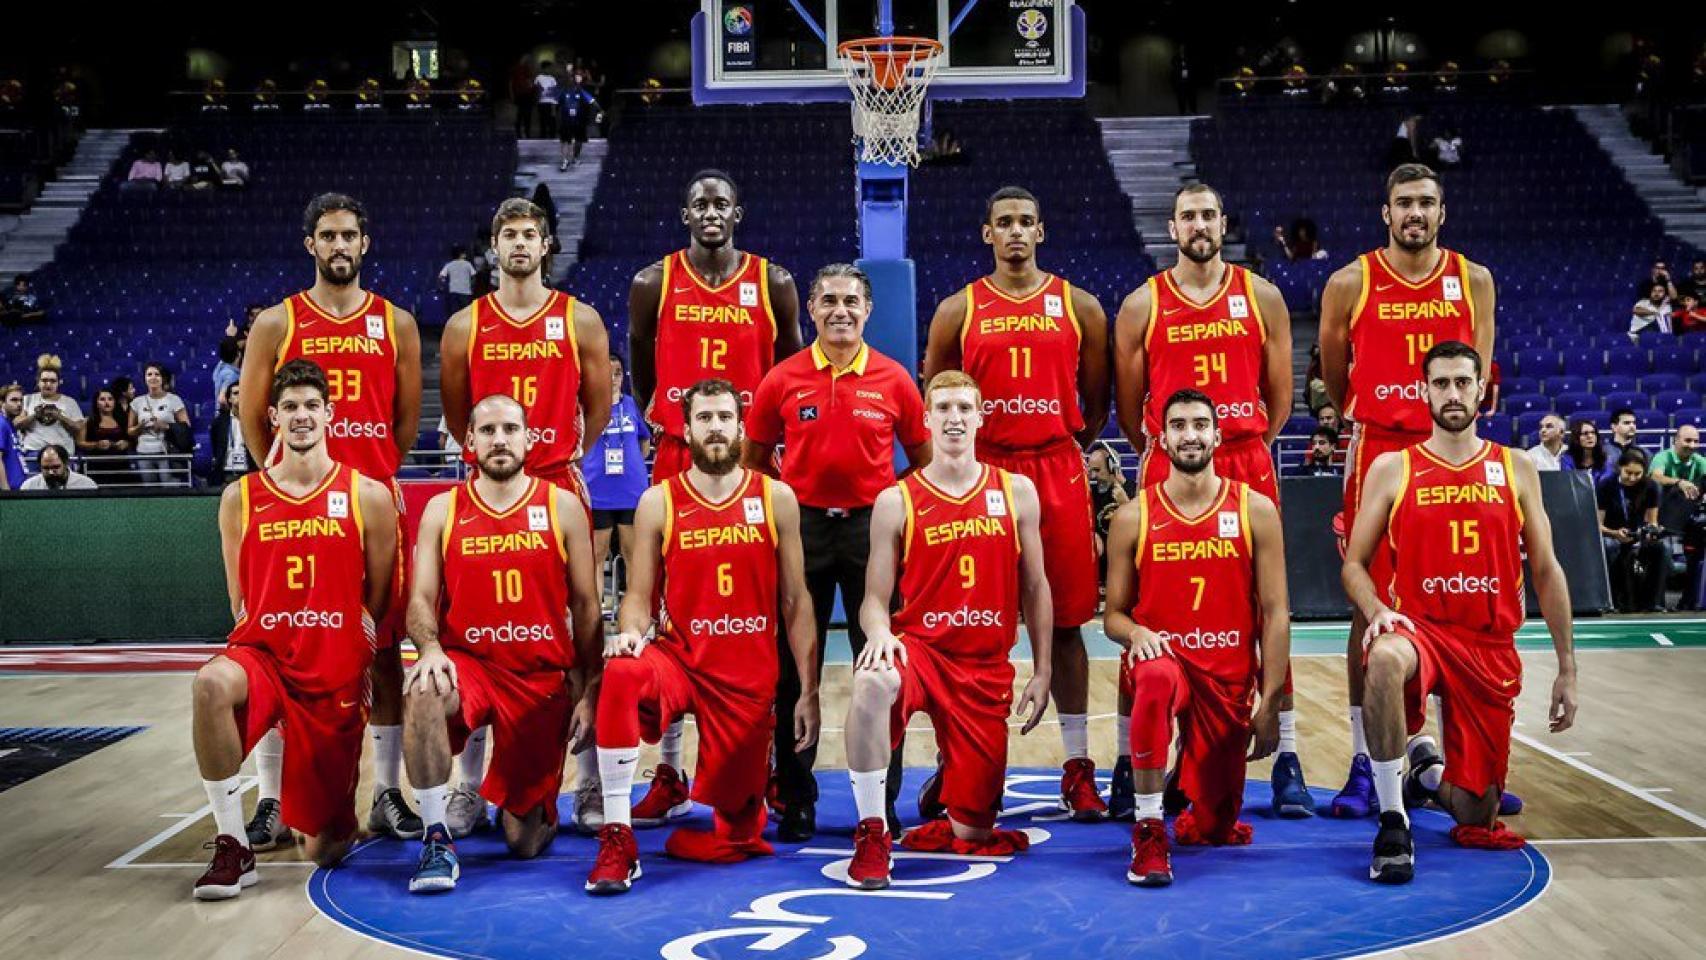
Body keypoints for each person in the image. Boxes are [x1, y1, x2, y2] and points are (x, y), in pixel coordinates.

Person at [1345, 340, 1576, 883]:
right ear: (1423, 391)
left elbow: (1547, 569)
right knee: (1381, 659)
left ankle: (1424, 776)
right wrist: (1376, 607)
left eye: (1462, 383)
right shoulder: (1392, 467)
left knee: (1476, 812)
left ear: (1482, 391)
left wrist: (1567, 667)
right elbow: (1354, 564)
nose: (1453, 393)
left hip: (1487, 644)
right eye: (1441, 383)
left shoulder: (1515, 467)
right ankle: (1392, 819)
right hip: (1418, 629)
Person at [1112, 182, 1308, 818]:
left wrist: (1240, 441)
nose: (1199, 224)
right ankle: (1130, 758)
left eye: (1208, 214)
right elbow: (1130, 403)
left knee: (1264, 607)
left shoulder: (1263, 296)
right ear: (1171, 228)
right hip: (1171, 462)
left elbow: (1280, 398)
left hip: (1245, 456)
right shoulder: (1143, 304)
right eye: (1187, 215)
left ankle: (1288, 757)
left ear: (1224, 222)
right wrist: (1174, 446)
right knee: (1148, 610)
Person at [236, 193, 425, 848]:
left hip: (371, 514)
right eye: (327, 235)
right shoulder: (276, 323)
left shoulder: (394, 322)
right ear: (309, 244)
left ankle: (388, 793)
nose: (339, 245)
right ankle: (269, 798)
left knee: (382, 656)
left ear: (365, 244)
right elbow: (253, 416)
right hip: (295, 516)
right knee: (281, 654)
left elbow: (403, 423)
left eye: (349, 235)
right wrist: (291, 488)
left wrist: (366, 483)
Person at [922, 185, 1112, 821]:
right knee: (973, 628)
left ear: (1041, 230)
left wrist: (1064, 443)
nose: (1015, 233)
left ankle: (1078, 764)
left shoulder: (1079, 305)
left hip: (1055, 468)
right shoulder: (959, 309)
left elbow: (1097, 399)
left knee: (1064, 625)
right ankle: (961, 767)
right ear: (987, 234)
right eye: (1003, 223)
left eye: (1026, 222)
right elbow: (941, 392)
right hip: (984, 471)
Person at [586, 379, 820, 895]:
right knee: (621, 672)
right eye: (704, 419)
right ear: (685, 429)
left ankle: (733, 793)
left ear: (741, 426)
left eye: (724, 418)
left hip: (746, 674)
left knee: (737, 837)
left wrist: (809, 689)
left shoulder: (776, 497)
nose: (716, 428)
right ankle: (617, 835)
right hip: (681, 660)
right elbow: (639, 596)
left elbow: (796, 601)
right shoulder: (657, 501)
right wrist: (629, 633)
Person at [1318, 164, 1496, 820]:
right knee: (1370, 609)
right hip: (1380, 451)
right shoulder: (1351, 281)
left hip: (1451, 457)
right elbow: (1337, 380)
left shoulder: (1474, 280)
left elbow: (1477, 378)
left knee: (1459, 606)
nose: (1415, 214)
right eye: (1403, 204)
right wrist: (1378, 413)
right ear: (1385, 213)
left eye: (1426, 203)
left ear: (1442, 212)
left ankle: (1462, 760)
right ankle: (1366, 761)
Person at [188, 359, 399, 899]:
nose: (301, 416)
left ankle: (327, 808)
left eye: (310, 406)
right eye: (289, 407)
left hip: (330, 669)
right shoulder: (241, 497)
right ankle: (232, 844)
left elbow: (376, 592)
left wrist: (347, 636)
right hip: (264, 654)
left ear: (329, 414)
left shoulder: (367, 495)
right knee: (211, 684)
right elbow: (239, 596)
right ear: (272, 418)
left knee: (325, 848)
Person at [842, 370, 1053, 889]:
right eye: (944, 409)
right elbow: (873, 600)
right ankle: (871, 831)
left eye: (964, 408)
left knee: (974, 832)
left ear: (981, 417)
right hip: (922, 652)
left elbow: (1037, 587)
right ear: (927, 419)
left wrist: (1043, 669)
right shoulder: (897, 500)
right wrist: (878, 635)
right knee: (873, 680)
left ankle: (951, 779)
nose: (954, 419)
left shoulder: (1017, 491)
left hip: (983, 667)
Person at [742, 264, 930, 841]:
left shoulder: (895, 379)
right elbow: (753, 460)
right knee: (792, 673)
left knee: (882, 667)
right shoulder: (784, 377)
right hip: (802, 533)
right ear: (811, 309)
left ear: (868, 309)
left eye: (851, 300)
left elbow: (921, 464)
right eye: (828, 301)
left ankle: (883, 802)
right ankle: (796, 799)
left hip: (872, 533)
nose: (840, 311)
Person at [402, 395, 603, 893]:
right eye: (487, 430)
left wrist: (590, 684)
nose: (499, 439)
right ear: (468, 441)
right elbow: (421, 599)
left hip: (538, 679)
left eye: (510, 429)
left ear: (528, 439)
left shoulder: (562, 506)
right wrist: (429, 649)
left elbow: (587, 607)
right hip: (470, 667)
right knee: (424, 691)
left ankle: (523, 790)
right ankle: (435, 836)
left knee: (524, 842)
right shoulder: (442, 509)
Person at [1103, 388, 1292, 886]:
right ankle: (1147, 828)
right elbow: (1113, 617)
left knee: (1213, 826)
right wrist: (1138, 631)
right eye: (1179, 425)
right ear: (1161, 438)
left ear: (1218, 434)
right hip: (1164, 660)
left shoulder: (1255, 511)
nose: (1190, 434)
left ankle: (1186, 773)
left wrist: (1270, 703)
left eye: (1200, 424)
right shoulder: (1133, 517)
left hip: (1227, 681)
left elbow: (1275, 614)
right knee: (1155, 677)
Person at [629, 169, 802, 486]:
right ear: (686, 215)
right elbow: (639, 352)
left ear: (736, 214)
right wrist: (658, 412)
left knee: (752, 536)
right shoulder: (653, 281)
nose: (711, 213)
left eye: (720, 204)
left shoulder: (774, 282)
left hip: (747, 445)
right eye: (700, 205)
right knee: (673, 536)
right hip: (680, 445)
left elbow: (791, 369)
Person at [442, 197, 611, 501]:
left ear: (545, 245)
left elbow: (600, 410)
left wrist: (566, 453)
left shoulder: (581, 319)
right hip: (489, 479)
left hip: (557, 477)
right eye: (509, 235)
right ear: (494, 245)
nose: (519, 243)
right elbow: (456, 416)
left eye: (529, 235)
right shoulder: (463, 325)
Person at [583, 353, 651, 613]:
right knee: (596, 556)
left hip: (631, 491)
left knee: (632, 555)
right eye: (606, 372)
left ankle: (633, 617)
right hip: (597, 491)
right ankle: (593, 619)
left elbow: (644, 443)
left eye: (618, 372)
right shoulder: (586, 406)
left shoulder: (631, 405)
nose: (612, 378)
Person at [1598, 448, 1670, 612]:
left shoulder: (1651, 487)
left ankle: (1653, 602)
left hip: (1638, 535)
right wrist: (1614, 533)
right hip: (1612, 534)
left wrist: (1650, 533)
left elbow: (1652, 521)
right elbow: (1597, 524)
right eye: (1628, 472)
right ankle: (1613, 602)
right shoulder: (1606, 485)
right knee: (1610, 546)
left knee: (1662, 548)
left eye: (1637, 474)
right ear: (1619, 468)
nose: (1632, 478)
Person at [129, 361, 190, 486]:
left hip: (166, 451)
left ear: (163, 378)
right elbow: (130, 430)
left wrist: (166, 426)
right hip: (143, 452)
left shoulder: (174, 399)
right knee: (149, 490)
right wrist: (140, 427)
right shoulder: (137, 402)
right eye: (149, 374)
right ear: (145, 379)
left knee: (170, 488)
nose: (153, 377)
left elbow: (186, 426)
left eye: (157, 374)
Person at [1088, 442, 1136, 581]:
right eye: (1091, 470)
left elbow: (1142, 531)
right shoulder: (1091, 494)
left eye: (1097, 470)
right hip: (1101, 565)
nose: (1092, 476)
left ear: (1112, 467)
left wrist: (1125, 503)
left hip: (1127, 563)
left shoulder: (1133, 490)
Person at [18, 359, 84, 455]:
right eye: (44, 380)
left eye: (52, 381)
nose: (48, 384)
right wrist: (35, 415)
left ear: (59, 382)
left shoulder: (69, 402)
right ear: (38, 382)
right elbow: (17, 424)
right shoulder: (27, 399)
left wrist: (59, 417)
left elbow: (79, 428)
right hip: (33, 451)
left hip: (62, 453)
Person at [78, 386, 137, 486]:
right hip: (96, 466)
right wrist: (96, 445)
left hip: (120, 465)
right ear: (96, 402)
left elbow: (133, 440)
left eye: (110, 399)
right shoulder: (88, 421)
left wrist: (126, 443)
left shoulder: (124, 421)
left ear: (115, 402)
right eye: (102, 399)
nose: (107, 402)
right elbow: (80, 443)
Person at [208, 382, 255, 487]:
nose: (240, 396)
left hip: (250, 473)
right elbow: (215, 446)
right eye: (236, 393)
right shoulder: (219, 422)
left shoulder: (254, 421)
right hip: (226, 473)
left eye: (242, 392)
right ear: (229, 399)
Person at [557, 71, 602, 170]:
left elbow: (592, 101)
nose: (572, 80)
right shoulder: (563, 91)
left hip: (578, 120)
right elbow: (557, 104)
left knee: (579, 140)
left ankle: (575, 157)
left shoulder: (581, 91)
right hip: (566, 120)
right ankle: (565, 161)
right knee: (565, 141)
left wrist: (600, 110)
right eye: (571, 78)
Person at [1651, 424, 1703, 500]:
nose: (1692, 445)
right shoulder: (1662, 457)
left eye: (1696, 441)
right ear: (1676, 440)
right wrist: (1679, 482)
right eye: (1688, 440)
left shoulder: (1699, 460)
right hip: (1664, 503)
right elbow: (1656, 477)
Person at [1560, 417, 1614, 484]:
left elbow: (1605, 483)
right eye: (1585, 433)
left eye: (1593, 433)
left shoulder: (1605, 459)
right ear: (1576, 438)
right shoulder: (1567, 459)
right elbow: (1569, 482)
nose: (1590, 436)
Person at [20, 443, 97, 490]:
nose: (51, 472)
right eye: (46, 468)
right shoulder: (29, 486)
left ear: (66, 463)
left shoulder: (86, 485)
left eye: (56, 467)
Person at [438, 246, 477, 320]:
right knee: (466, 315)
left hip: (453, 292)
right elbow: (474, 276)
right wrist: (472, 287)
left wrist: (443, 286)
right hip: (465, 292)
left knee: (454, 315)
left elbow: (441, 276)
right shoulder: (467, 264)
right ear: (461, 254)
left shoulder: (449, 264)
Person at [0, 383, 25, 490]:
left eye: (21, 400)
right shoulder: (1, 424)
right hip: (9, 493)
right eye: (14, 400)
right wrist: (6, 490)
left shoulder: (10, 425)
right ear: (1, 403)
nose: (19, 404)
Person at [213, 337, 242, 410]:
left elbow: (226, 348)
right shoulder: (232, 376)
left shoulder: (220, 367)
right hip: (228, 417)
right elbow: (222, 399)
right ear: (238, 354)